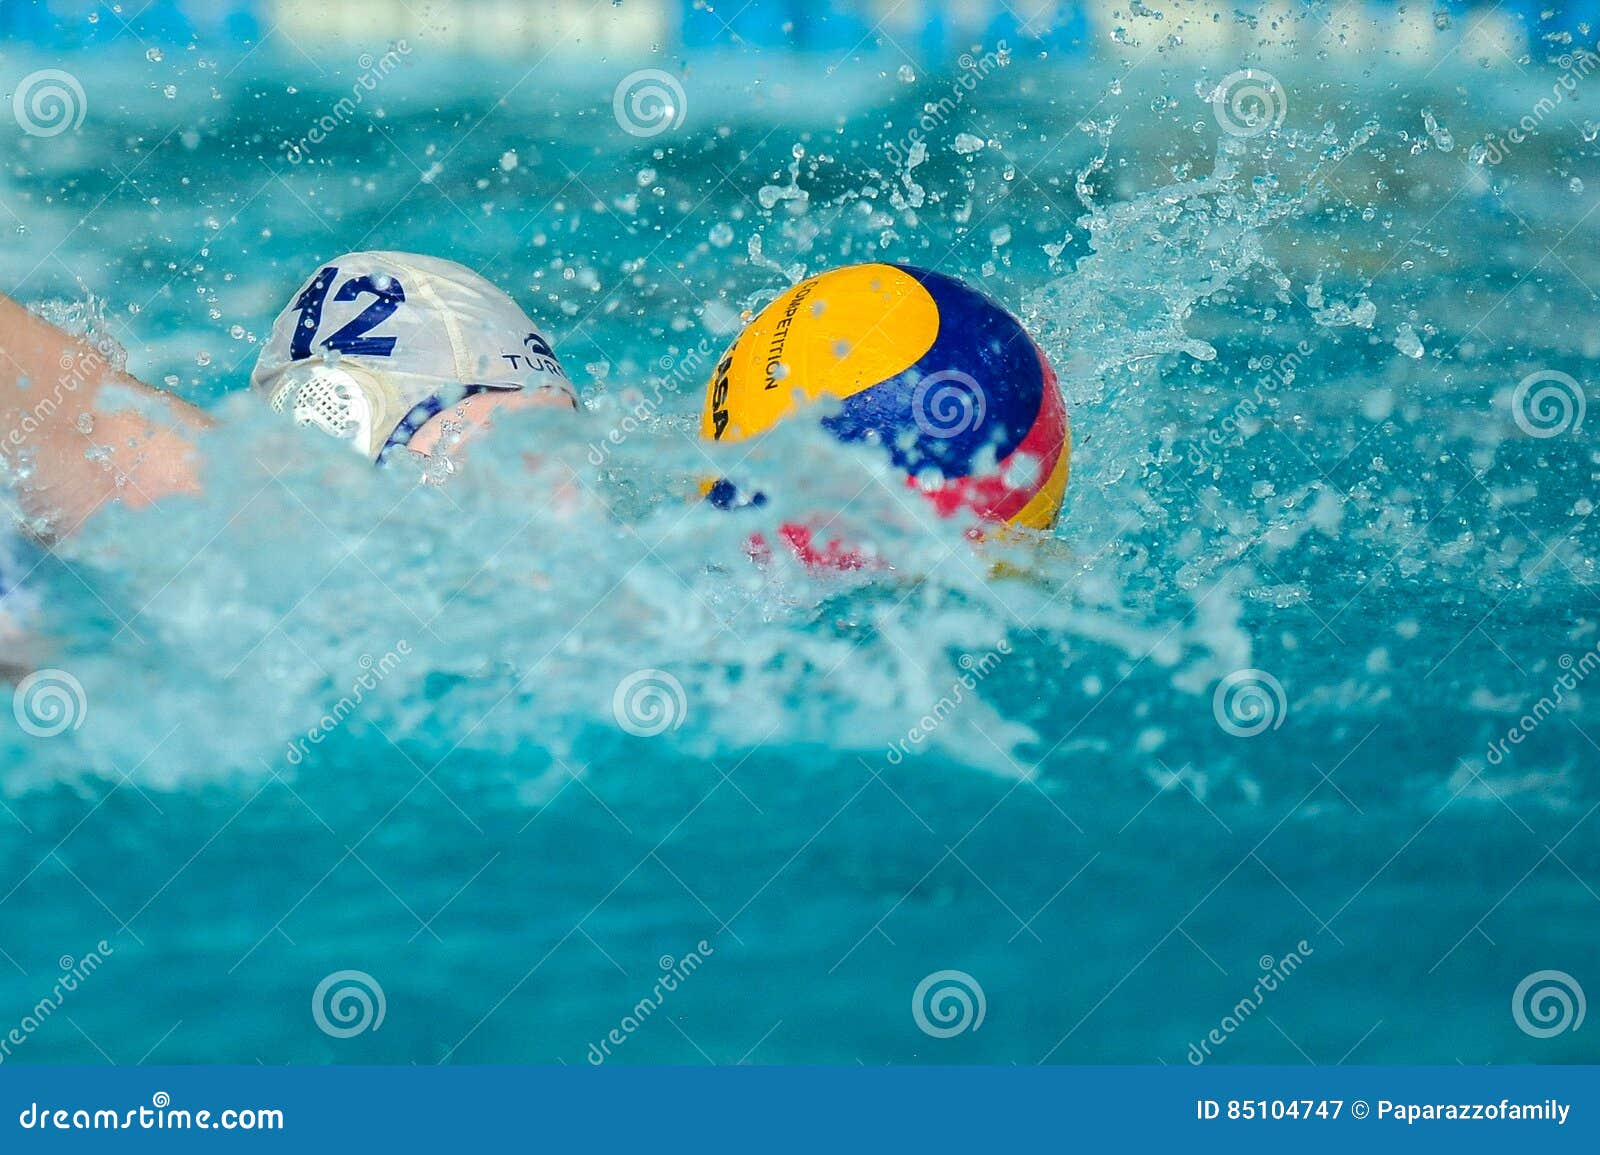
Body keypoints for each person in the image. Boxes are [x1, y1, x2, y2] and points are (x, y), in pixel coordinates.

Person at [0, 251, 579, 669]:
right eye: (512, 451)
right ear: (340, 433)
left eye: (567, 444)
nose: (564, 500)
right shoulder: (224, 537)